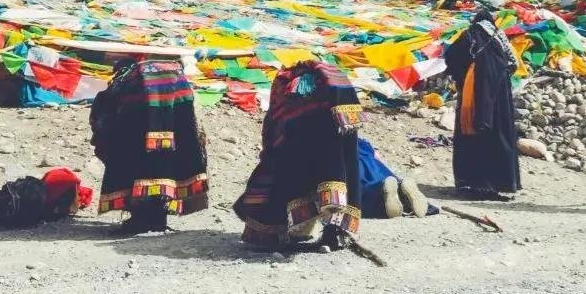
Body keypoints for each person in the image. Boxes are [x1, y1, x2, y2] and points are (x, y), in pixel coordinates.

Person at [235, 60, 364, 251]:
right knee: (338, 176)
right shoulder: (339, 91)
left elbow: (274, 132)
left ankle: (278, 230)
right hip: (337, 138)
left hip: (300, 139)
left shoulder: (286, 90)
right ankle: (334, 232)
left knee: (285, 175)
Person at [90, 56, 209, 233]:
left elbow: (103, 125)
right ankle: (157, 216)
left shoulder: (119, 84)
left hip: (138, 120)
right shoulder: (156, 75)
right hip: (178, 113)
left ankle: (142, 218)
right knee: (164, 163)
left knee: (135, 163)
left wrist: (104, 145)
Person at [444, 8, 522, 200]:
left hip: (473, 94)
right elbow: (513, 63)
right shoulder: (500, 36)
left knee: (471, 130)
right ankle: (502, 183)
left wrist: (465, 76)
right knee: (499, 133)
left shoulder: (469, 35)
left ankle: (472, 183)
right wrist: (497, 77)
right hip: (498, 95)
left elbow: (451, 57)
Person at [356, 137, 434, 219]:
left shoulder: (342, 146)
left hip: (353, 168)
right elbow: (377, 157)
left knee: (360, 197)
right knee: (389, 180)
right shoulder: (361, 142)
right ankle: (402, 193)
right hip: (374, 164)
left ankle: (385, 206)